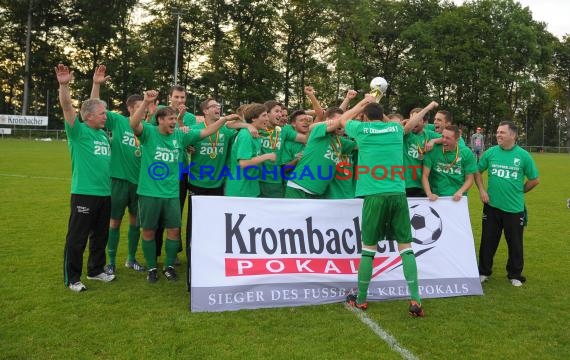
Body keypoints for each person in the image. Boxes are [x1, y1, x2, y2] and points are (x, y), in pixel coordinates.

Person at [336, 94, 438, 316]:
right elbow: (412, 122)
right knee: (406, 247)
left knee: (368, 249)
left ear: (364, 116)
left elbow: (343, 119)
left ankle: (361, 299)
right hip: (398, 194)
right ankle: (416, 299)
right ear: (382, 116)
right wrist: (429, 105)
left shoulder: (361, 130)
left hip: (374, 196)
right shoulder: (394, 129)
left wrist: (362, 103)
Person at [130, 91, 235, 283]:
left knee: (174, 231)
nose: (174, 121)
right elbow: (133, 124)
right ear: (160, 120)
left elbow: (206, 132)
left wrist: (225, 119)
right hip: (149, 193)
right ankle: (152, 267)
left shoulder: (180, 135)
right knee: (148, 231)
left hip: (171, 194)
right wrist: (145, 101)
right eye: (170, 119)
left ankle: (169, 266)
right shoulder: (149, 133)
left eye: (174, 118)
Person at [56, 64, 116, 292]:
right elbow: (67, 108)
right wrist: (64, 86)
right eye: (102, 114)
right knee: (77, 238)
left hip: (104, 193)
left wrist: (96, 85)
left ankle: (96, 270)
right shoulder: (78, 132)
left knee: (100, 236)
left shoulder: (102, 134)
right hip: (84, 193)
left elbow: (94, 104)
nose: (105, 116)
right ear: (89, 117)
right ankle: (73, 278)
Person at [90, 65, 145, 275]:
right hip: (118, 180)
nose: (145, 109)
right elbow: (93, 107)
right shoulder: (119, 121)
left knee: (135, 222)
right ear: (130, 107)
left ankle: (131, 259)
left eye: (146, 106)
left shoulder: (147, 127)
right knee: (114, 221)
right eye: (140, 106)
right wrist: (96, 84)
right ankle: (111, 260)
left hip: (139, 183)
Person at [475, 121, 539, 287]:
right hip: (492, 206)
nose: (498, 135)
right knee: (488, 240)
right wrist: (482, 190)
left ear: (513, 135)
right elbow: (477, 171)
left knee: (515, 243)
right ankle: (483, 272)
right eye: (497, 132)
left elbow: (534, 179)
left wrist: (520, 191)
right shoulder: (491, 153)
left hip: (514, 209)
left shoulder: (523, 156)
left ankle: (515, 274)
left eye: (502, 132)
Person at [225, 103, 277, 197]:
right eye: (264, 115)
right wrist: (267, 156)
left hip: (250, 188)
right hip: (240, 190)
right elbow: (243, 163)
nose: (267, 119)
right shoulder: (246, 135)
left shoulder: (255, 133)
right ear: (253, 118)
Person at [422, 125, 477, 201]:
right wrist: (429, 193)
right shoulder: (433, 150)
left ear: (457, 140)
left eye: (448, 138)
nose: (443, 140)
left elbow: (470, 179)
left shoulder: (466, 153)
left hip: (457, 199)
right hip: (437, 198)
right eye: (443, 136)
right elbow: (425, 175)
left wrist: (460, 192)